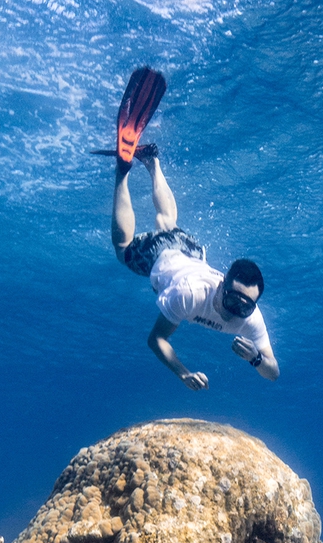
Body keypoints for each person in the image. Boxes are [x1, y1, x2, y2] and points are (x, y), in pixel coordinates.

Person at [99, 68, 278, 391]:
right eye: (234, 299)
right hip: (166, 258)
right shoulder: (189, 296)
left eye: (245, 305)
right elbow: (156, 340)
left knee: (168, 224)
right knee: (123, 248)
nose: (235, 311)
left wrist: (256, 359)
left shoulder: (249, 319)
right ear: (222, 285)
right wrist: (182, 372)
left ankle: (153, 164)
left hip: (191, 252)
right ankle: (123, 171)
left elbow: (273, 372)